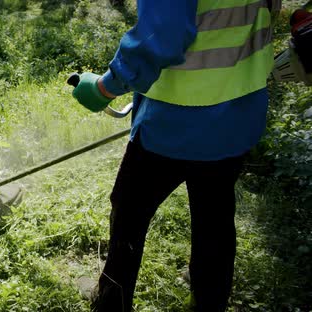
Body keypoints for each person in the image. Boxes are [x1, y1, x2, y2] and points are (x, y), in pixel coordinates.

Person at [71, 0, 281, 311]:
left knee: (130, 212)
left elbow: (163, 34)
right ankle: (210, 303)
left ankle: (111, 300)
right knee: (215, 219)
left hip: (172, 124)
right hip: (237, 118)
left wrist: (104, 88)